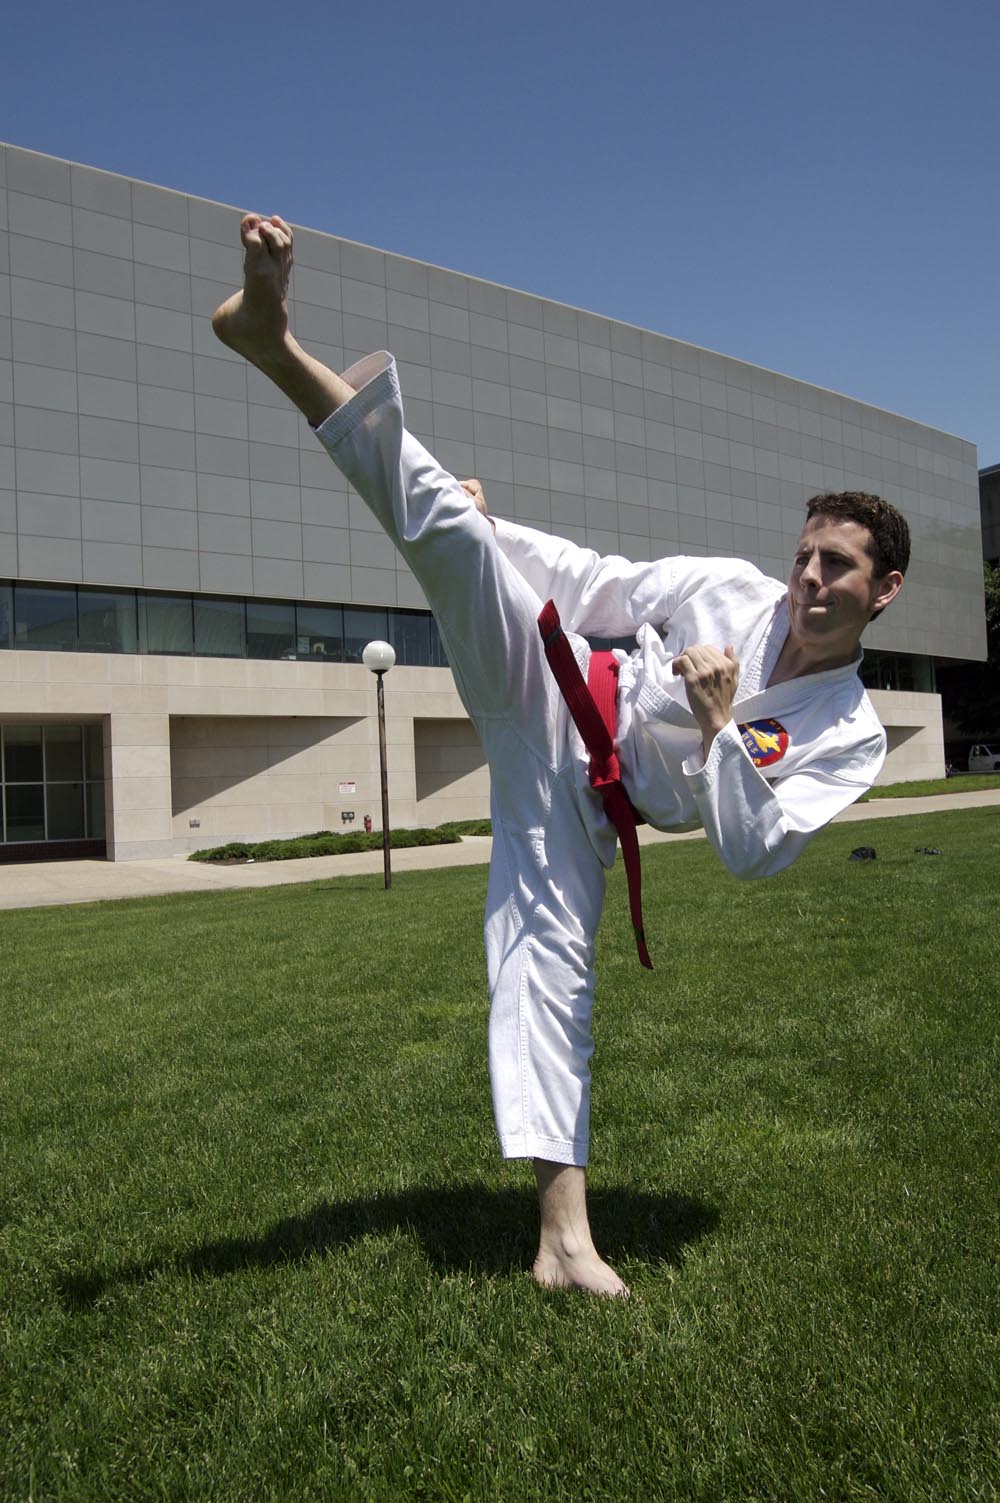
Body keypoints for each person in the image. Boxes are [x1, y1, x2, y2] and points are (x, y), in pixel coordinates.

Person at [213, 215, 908, 1297]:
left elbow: (753, 852)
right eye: (805, 555)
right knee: (445, 521)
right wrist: (500, 537)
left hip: (591, 807)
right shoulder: (729, 587)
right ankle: (273, 337)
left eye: (837, 566)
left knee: (546, 980)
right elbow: (596, 584)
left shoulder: (847, 734)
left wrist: (724, 728)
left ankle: (560, 1246)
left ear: (884, 590)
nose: (810, 580)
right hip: (554, 686)